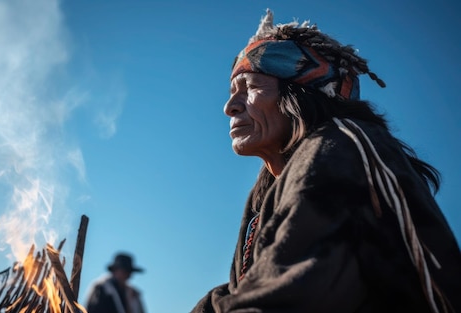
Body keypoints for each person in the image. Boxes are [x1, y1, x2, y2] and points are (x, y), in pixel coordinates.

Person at [192, 9, 461, 313]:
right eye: (232, 92)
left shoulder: (342, 148)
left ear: (298, 93)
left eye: (251, 88)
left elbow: (289, 294)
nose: (230, 106)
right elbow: (246, 288)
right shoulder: (264, 195)